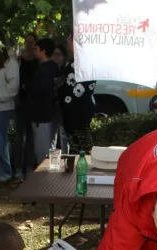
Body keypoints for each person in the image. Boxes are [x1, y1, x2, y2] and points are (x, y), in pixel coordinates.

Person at [0, 35, 20, 183]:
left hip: (2, 108)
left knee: (1, 141)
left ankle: (5, 172)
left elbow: (13, 86)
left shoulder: (10, 62)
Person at [58, 32, 97, 149]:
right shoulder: (70, 61)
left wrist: (66, 99)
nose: (67, 41)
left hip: (80, 107)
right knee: (72, 140)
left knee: (81, 141)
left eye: (69, 38)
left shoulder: (86, 61)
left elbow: (87, 86)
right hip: (69, 109)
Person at [28, 38, 60, 166]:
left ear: (43, 51)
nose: (34, 51)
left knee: (42, 151)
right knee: (48, 148)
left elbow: (41, 90)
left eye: (36, 49)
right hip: (49, 114)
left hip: (41, 115)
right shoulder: (54, 68)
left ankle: (44, 178)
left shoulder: (44, 70)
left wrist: (29, 87)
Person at [15, 32, 38, 179]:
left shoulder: (38, 63)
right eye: (27, 42)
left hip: (34, 105)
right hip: (21, 103)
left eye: (32, 42)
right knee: (20, 138)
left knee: (32, 138)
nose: (29, 45)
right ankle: (17, 169)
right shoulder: (19, 61)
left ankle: (30, 168)